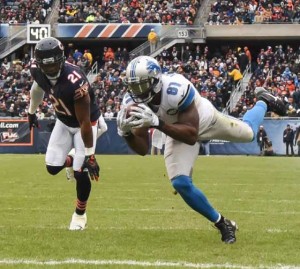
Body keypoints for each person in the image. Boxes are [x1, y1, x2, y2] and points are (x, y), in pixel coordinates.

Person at [116, 56, 286, 244]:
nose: (136, 92)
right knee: (180, 183)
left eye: (141, 85)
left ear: (155, 81)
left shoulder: (176, 88)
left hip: (204, 121)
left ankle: (263, 101)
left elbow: (191, 135)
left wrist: (157, 123)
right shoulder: (133, 102)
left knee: (248, 133)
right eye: (133, 86)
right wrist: (127, 134)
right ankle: (222, 223)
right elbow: (142, 149)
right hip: (174, 130)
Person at [27, 37, 101, 231]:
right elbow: (37, 88)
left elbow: (84, 121)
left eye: (54, 64)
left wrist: (90, 155)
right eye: (47, 65)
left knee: (81, 170)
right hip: (63, 121)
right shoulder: (36, 70)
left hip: (85, 124)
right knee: (52, 167)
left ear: (61, 59)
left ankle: (79, 215)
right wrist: (31, 111)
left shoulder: (74, 80)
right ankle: (70, 159)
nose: (51, 69)